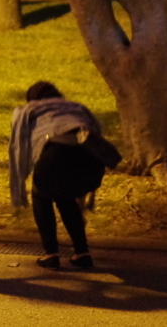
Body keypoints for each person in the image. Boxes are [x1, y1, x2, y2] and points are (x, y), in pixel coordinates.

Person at [9, 81, 107, 269]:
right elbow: (97, 134)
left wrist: (20, 178)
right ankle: (82, 253)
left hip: (55, 153)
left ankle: (51, 254)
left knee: (41, 195)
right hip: (87, 157)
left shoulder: (27, 110)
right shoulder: (77, 107)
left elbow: (18, 145)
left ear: (32, 99)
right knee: (65, 196)